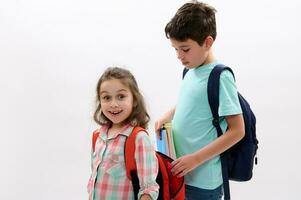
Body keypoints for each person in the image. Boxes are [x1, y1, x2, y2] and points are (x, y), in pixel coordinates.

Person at [155, 1, 245, 200]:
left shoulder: (220, 77)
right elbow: (196, 103)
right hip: (183, 174)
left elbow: (237, 130)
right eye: (176, 49)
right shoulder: (190, 71)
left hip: (203, 181)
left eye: (185, 49)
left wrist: (195, 159)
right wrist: (169, 114)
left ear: (207, 42)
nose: (179, 56)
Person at [88, 67, 159, 200]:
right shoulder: (98, 136)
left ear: (135, 100)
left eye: (121, 96)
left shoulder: (139, 138)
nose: (113, 104)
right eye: (106, 97)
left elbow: (148, 189)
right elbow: (94, 182)